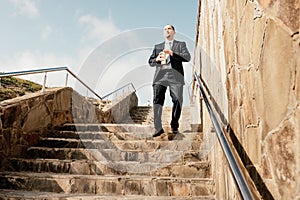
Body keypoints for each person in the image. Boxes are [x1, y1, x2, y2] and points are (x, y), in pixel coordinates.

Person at [148, 24, 191, 137]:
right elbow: (150, 62)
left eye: (169, 29)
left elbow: (187, 57)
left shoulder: (180, 44)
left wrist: (172, 53)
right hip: (160, 76)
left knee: (177, 99)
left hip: (175, 76)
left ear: (174, 32)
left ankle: (174, 125)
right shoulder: (158, 46)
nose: (167, 30)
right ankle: (158, 128)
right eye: (165, 29)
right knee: (157, 101)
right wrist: (156, 59)